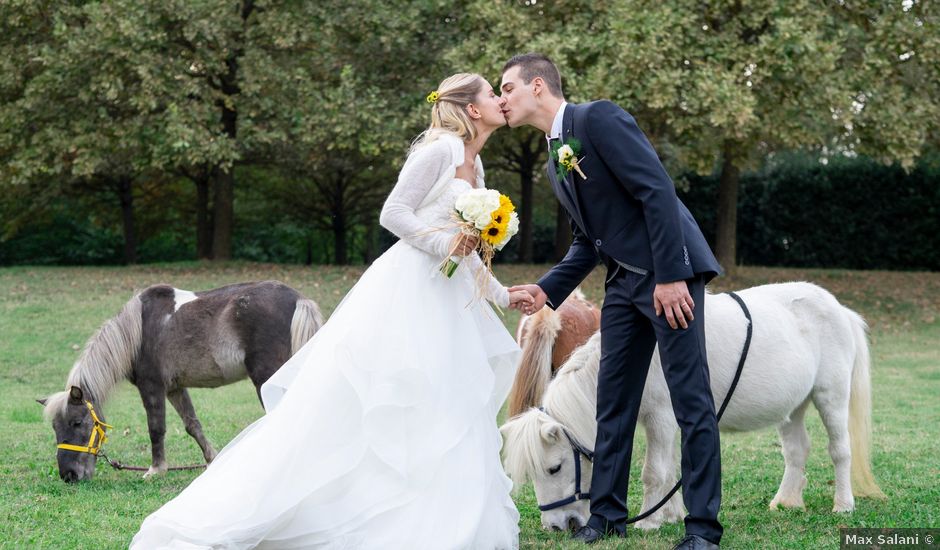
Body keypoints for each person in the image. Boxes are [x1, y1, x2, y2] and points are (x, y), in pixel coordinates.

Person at [130, 73, 532, 550]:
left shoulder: (476, 163)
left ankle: (435, 514)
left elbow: (466, 255)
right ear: (470, 109)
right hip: (408, 292)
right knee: (384, 401)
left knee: (446, 404)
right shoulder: (440, 150)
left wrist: (503, 295)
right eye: (492, 93)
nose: (498, 101)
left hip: (447, 300)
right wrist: (444, 242)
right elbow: (394, 213)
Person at [500, 53, 724, 550]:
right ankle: (607, 516)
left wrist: (671, 276)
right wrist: (546, 290)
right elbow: (587, 240)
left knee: (691, 401)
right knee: (614, 403)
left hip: (669, 278)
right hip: (622, 285)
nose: (501, 99)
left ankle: (703, 530)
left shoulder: (597, 117)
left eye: (508, 88)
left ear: (538, 86)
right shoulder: (555, 151)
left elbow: (657, 191)